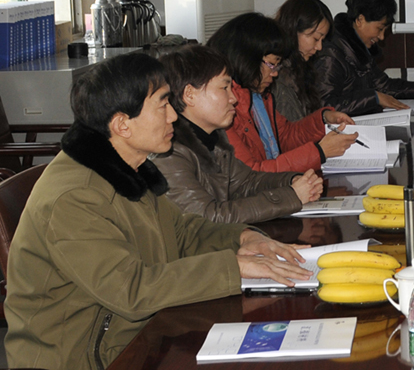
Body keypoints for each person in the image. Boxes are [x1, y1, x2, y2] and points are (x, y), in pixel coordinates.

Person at [3, 52, 312, 370]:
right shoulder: (73, 199)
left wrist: (245, 238)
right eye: (163, 105)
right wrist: (233, 267)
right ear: (122, 125)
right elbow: (131, 290)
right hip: (85, 360)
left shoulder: (127, 168)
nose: (174, 116)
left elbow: (183, 231)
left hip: (139, 337)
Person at [155, 44, 323, 222]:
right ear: (189, 94)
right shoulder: (169, 154)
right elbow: (207, 217)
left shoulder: (214, 140)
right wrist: (291, 196)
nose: (233, 98)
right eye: (224, 88)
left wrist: (293, 181)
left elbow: (246, 182)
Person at [209, 13, 357, 173]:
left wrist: (323, 119)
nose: (275, 73)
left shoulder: (257, 96)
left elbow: (285, 136)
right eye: (272, 64)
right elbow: (251, 174)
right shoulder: (223, 107)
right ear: (247, 58)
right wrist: (319, 152)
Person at [315, 0, 414, 115]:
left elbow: (383, 86)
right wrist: (374, 98)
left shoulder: (360, 49)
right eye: (379, 29)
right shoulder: (331, 55)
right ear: (360, 20)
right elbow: (325, 107)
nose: (382, 37)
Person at [272, 0, 336, 122]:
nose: (319, 47)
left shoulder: (302, 66)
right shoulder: (277, 74)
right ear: (293, 31)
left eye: (322, 40)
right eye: (316, 39)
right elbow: (293, 128)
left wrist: (324, 116)